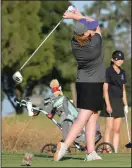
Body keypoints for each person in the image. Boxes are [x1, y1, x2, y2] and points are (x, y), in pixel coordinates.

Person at [54, 9, 106, 161]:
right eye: (88, 30)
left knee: (93, 116)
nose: (91, 30)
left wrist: (75, 16)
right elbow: (96, 25)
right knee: (83, 117)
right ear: (85, 34)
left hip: (83, 83)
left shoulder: (74, 42)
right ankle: (64, 146)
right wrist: (75, 16)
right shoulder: (95, 43)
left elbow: (89, 25)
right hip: (93, 84)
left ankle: (91, 152)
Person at [100, 50, 129, 153]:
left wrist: (125, 105)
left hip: (119, 102)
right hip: (110, 101)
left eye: (121, 59)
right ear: (113, 60)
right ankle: (107, 150)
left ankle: (115, 152)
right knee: (109, 128)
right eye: (118, 59)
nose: (120, 61)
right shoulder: (108, 71)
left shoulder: (122, 73)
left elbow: (123, 90)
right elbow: (105, 89)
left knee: (117, 129)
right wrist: (108, 105)